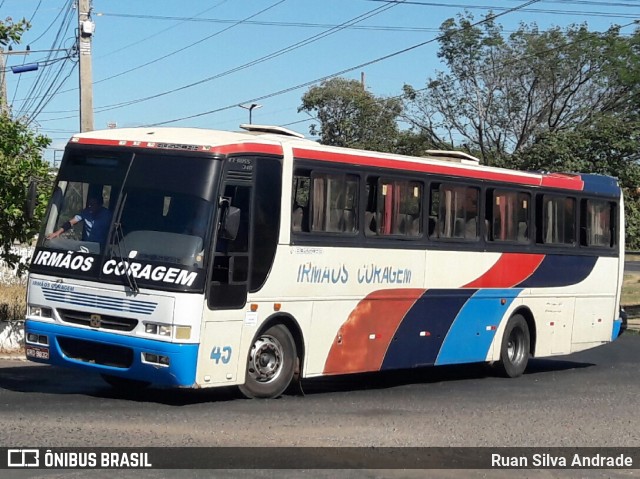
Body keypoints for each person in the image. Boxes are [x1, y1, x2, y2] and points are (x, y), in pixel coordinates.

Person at [47, 196, 112, 247]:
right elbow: (70, 223)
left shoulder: (108, 215)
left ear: (100, 205)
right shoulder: (86, 212)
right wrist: (57, 232)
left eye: (93, 204)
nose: (90, 206)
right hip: (88, 245)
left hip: (102, 247)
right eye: (89, 204)